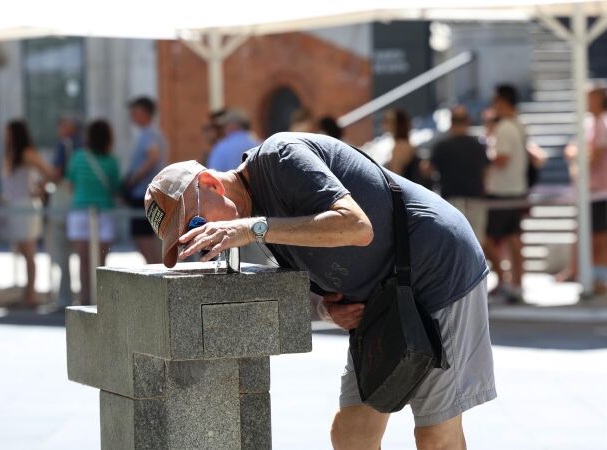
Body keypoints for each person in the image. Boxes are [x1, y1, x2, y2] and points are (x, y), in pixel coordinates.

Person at [145, 132, 496, 450]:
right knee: (351, 436)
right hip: (384, 298)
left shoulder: (279, 158)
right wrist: (327, 310)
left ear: (210, 183)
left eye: (195, 223)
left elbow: (357, 227)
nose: (204, 236)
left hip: (437, 267)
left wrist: (253, 229)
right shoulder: (251, 218)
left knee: (436, 433)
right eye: (190, 238)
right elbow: (312, 272)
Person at [66, 119, 120, 305]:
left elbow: (70, 184)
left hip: (80, 211)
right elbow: (115, 187)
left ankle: (84, 298)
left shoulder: (78, 156)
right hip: (104, 212)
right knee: (100, 260)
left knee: (82, 260)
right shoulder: (111, 161)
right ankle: (100, 299)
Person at [559, 84, 607, 291]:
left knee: (599, 237)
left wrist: (577, 162)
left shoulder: (604, 123)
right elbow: (572, 148)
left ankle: (599, 278)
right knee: (586, 233)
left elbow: (594, 157)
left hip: (601, 191)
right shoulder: (588, 123)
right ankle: (582, 272)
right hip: (587, 192)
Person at [484, 85, 528, 304]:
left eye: (494, 102)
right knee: (513, 239)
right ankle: (516, 283)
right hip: (516, 189)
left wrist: (485, 157)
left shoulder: (505, 128)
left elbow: (501, 159)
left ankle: (505, 281)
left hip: (502, 192)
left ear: (502, 102)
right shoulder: (519, 125)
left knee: (487, 239)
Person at [2, 120, 53, 307]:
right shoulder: (13, 153)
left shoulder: (26, 152)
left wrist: (39, 189)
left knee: (29, 251)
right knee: (23, 251)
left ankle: (31, 293)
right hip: (15, 206)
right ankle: (27, 291)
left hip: (25, 206)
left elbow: (47, 171)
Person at [428, 106, 489, 244]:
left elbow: (429, 169)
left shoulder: (442, 145)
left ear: (451, 123)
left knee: (453, 243)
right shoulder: (478, 145)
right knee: (477, 243)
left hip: (451, 199)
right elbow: (486, 171)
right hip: (475, 198)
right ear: (468, 122)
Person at [124, 97, 167, 264]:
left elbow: (152, 156)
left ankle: (156, 278)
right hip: (146, 194)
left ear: (143, 113)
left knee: (146, 241)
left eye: (134, 112)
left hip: (143, 194)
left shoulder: (149, 134)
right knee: (144, 241)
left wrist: (133, 180)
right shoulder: (149, 134)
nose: (131, 116)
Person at [48, 116, 82, 306]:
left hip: (64, 204)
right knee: (85, 254)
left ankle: (64, 297)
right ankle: (88, 294)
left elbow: (57, 173)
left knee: (62, 254)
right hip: (81, 204)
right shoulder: (85, 146)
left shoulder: (64, 145)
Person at [384, 108, 421, 183]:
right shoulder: (405, 144)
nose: (384, 125)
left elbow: (395, 178)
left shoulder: (400, 147)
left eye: (388, 122)